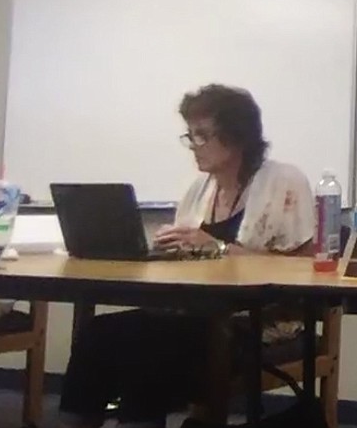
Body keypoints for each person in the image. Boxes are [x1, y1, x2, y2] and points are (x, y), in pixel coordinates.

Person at [59, 84, 315, 428]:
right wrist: (169, 253)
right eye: (190, 136)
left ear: (236, 135)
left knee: (147, 342)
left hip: (256, 319)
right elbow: (195, 259)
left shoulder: (283, 181)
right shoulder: (199, 189)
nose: (194, 147)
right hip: (193, 311)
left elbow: (301, 269)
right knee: (99, 331)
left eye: (203, 136)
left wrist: (217, 248)